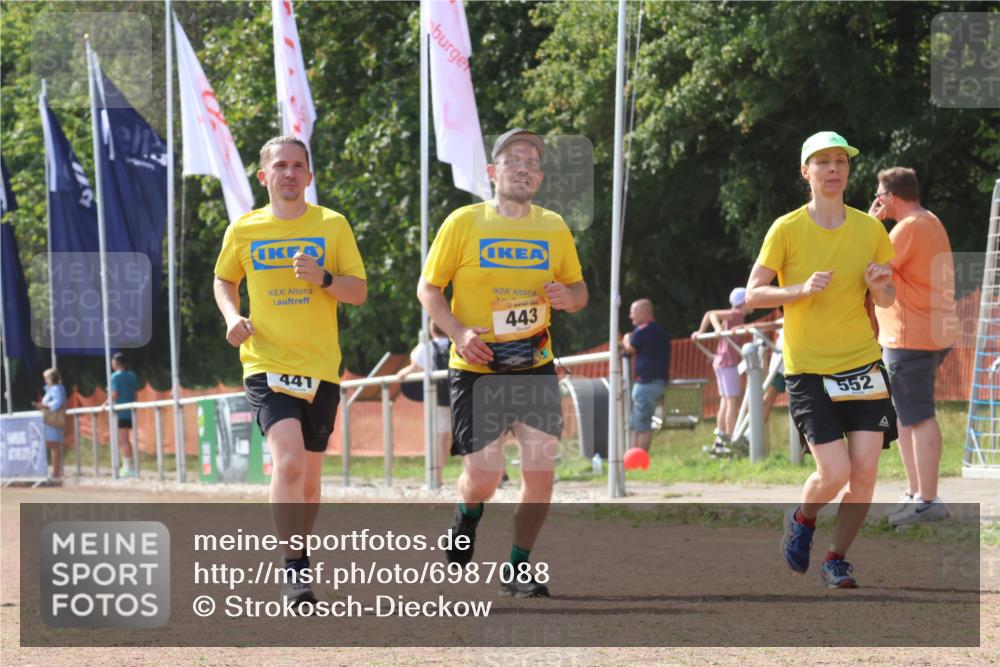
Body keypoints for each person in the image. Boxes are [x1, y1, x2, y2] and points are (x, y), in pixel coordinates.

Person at [417, 128, 588, 598]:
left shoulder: (553, 227)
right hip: (478, 368)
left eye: (532, 162)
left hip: (534, 364)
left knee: (541, 472)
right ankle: (467, 512)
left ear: (540, 177)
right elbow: (429, 288)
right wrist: (458, 332)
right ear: (493, 172)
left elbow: (578, 290)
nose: (524, 168)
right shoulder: (464, 222)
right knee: (485, 476)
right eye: (514, 160)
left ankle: (517, 567)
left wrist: (568, 298)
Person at [213, 135, 367, 606]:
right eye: (281, 166)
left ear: (309, 175)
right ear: (265, 176)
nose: (290, 173)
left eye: (299, 166)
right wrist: (232, 317)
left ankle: (299, 553)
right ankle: (294, 568)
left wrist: (324, 278)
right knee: (290, 462)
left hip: (321, 367)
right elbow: (224, 279)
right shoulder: (244, 229)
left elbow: (358, 291)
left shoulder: (332, 225)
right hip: (266, 363)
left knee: (311, 480)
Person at [745, 131, 897, 588]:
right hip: (809, 369)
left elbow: (887, 298)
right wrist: (799, 289)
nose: (833, 168)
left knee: (864, 474)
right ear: (805, 172)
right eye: (823, 161)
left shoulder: (870, 229)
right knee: (834, 472)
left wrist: (879, 287)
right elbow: (753, 294)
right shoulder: (786, 229)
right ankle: (802, 517)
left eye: (840, 161)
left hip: (863, 365)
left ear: (848, 170)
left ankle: (836, 559)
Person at [869, 167, 957, 526]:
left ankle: (928, 500)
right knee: (907, 416)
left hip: (910, 338)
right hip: (925, 332)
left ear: (891, 197)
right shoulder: (929, 220)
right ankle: (916, 493)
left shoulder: (907, 228)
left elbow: (873, 269)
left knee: (918, 416)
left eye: (879, 195)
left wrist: (872, 226)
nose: (877, 200)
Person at [692, 287, 752, 452]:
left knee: (725, 402)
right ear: (743, 302)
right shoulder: (736, 314)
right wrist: (717, 329)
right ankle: (731, 439)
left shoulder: (737, 317)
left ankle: (719, 440)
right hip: (728, 363)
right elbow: (711, 314)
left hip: (721, 362)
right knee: (732, 402)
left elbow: (708, 314)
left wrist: (702, 331)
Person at [396, 322, 453, 466]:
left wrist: (401, 373)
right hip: (457, 395)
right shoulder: (456, 345)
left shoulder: (426, 347)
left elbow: (413, 368)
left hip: (438, 397)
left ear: (431, 330)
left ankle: (437, 474)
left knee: (441, 436)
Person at [622, 298, 670, 452]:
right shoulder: (659, 330)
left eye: (633, 312)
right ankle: (632, 457)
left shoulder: (643, 330)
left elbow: (630, 348)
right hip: (656, 382)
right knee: (636, 424)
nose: (630, 316)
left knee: (642, 425)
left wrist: (626, 338)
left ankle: (639, 459)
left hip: (646, 384)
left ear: (644, 312)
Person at [109, 352, 139, 478]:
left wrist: (106, 404)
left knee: (123, 440)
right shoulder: (132, 375)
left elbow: (115, 394)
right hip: (130, 411)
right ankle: (129, 466)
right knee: (126, 439)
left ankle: (128, 468)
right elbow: (135, 394)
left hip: (120, 412)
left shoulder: (115, 377)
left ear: (116, 363)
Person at [36, 368, 66, 480]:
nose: (44, 380)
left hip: (53, 421)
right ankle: (57, 471)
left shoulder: (57, 389)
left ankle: (56, 472)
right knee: (53, 446)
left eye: (46, 378)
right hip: (50, 422)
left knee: (54, 446)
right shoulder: (53, 389)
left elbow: (57, 403)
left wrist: (44, 406)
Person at [763, 328, 786, 423]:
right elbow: (776, 324)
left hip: (782, 366)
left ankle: (756, 426)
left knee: (768, 399)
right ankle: (755, 426)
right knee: (768, 399)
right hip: (780, 367)